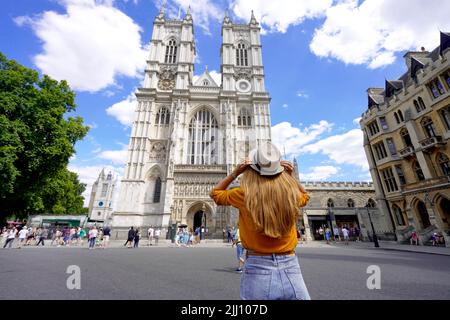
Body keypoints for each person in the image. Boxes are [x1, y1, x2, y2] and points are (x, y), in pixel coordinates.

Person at [210, 142, 311, 300]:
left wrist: (235, 173)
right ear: (279, 169)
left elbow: (215, 194)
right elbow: (306, 196)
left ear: (252, 169)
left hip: (257, 267)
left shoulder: (243, 195)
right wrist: (291, 178)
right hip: (291, 266)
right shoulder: (291, 194)